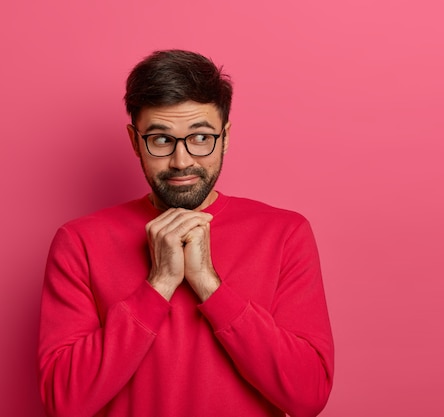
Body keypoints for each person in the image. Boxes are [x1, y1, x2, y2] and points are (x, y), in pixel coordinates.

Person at [38, 49, 334, 417]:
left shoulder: (285, 233)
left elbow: (308, 396)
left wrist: (209, 284)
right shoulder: (79, 242)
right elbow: (64, 402)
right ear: (134, 141)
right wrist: (159, 283)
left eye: (200, 138)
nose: (182, 161)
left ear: (224, 137)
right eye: (161, 140)